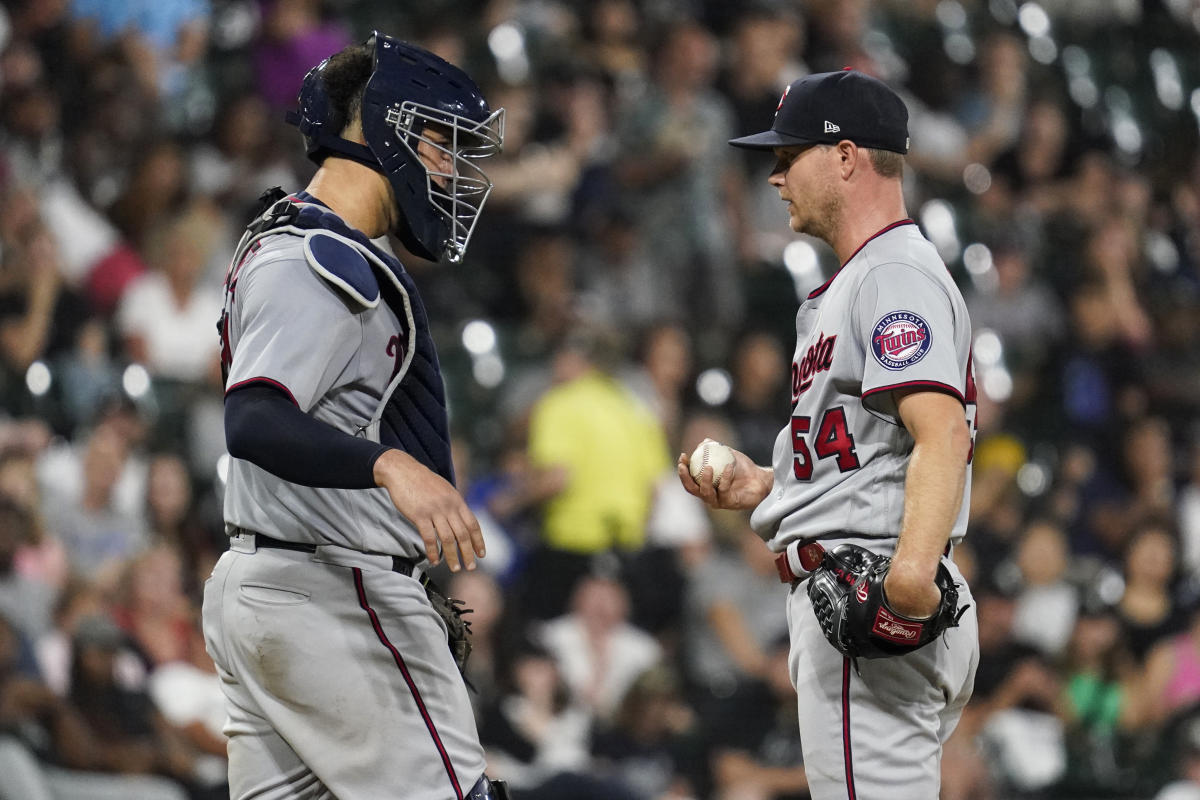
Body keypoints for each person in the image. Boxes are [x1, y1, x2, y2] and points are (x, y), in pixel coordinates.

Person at [199, 33, 510, 800]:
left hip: (278, 584)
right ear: (388, 131)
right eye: (442, 143)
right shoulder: (313, 258)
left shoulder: (297, 239)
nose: (451, 169)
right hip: (334, 592)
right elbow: (255, 420)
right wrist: (389, 466)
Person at [678, 69, 979, 798]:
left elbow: (940, 433)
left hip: (869, 583)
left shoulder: (892, 276)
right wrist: (766, 486)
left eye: (790, 156)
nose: (775, 176)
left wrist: (906, 582)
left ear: (845, 157)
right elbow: (872, 453)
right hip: (856, 576)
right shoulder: (859, 282)